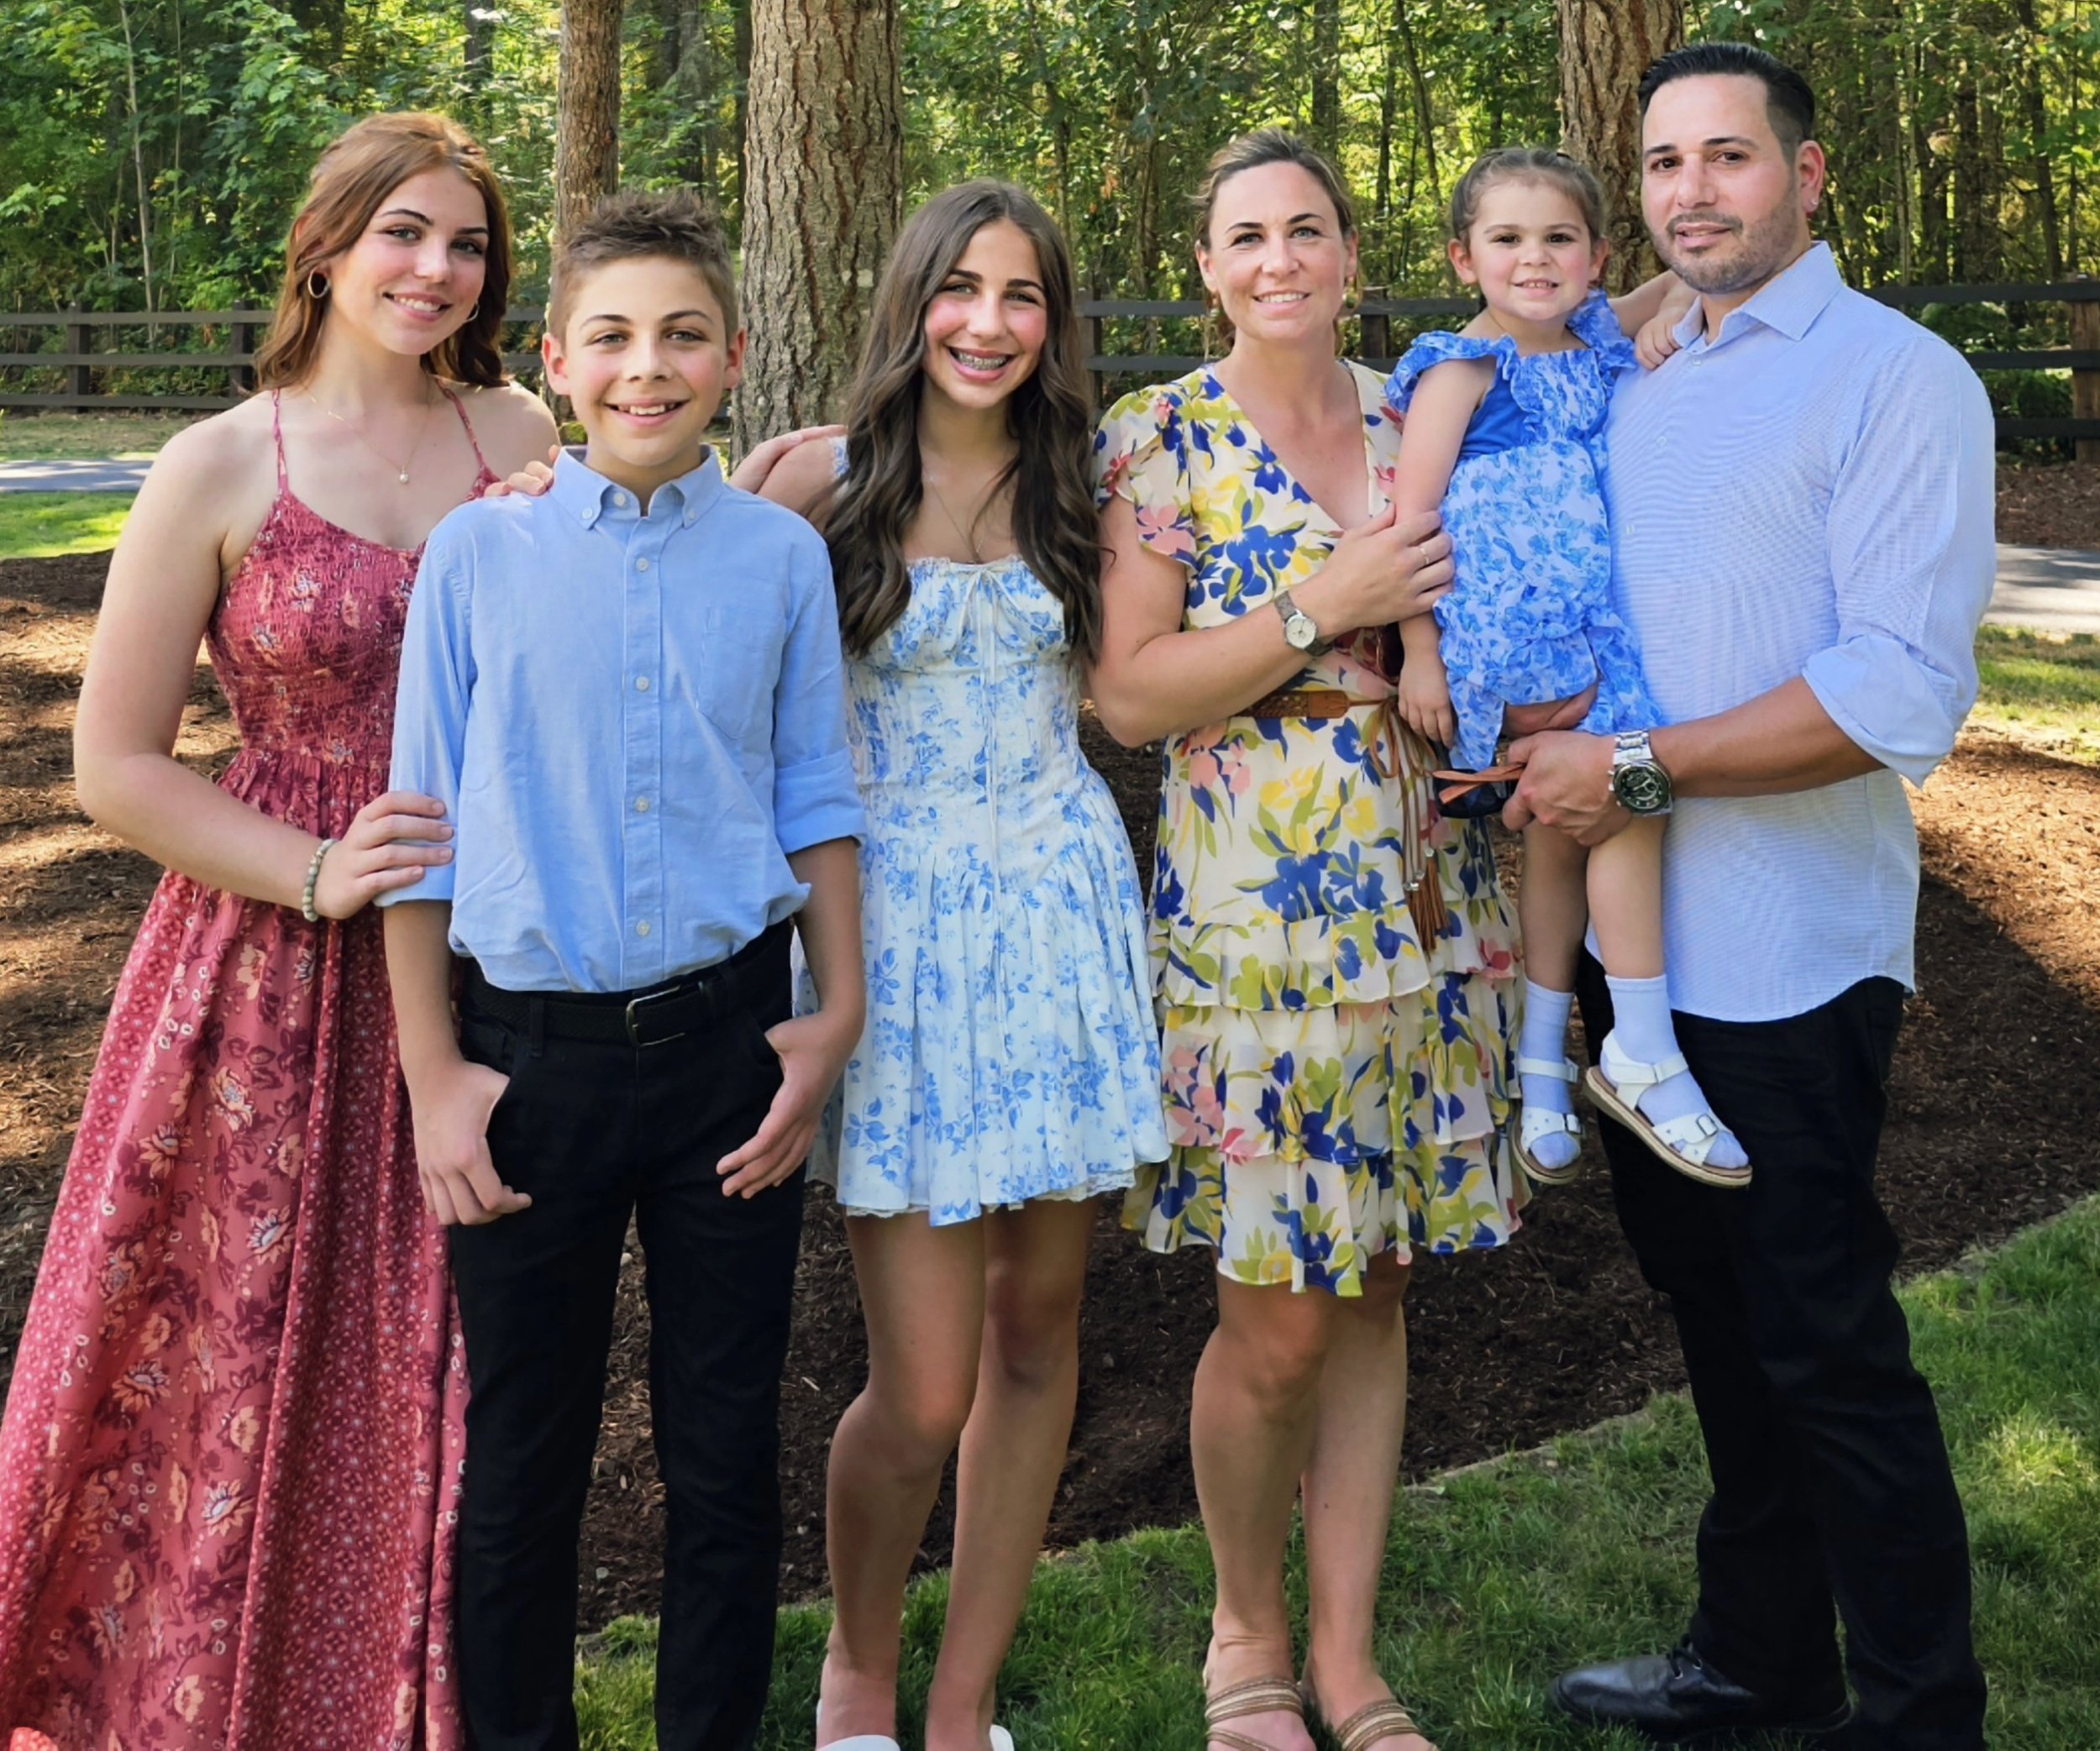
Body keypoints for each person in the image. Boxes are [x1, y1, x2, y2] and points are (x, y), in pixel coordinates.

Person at [0, 113, 555, 1750]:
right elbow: (111, 766)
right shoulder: (221, 463)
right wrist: (316, 871)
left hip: (486, 959)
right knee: (220, 1354)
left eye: (464, 245)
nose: (434, 270)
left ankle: (412, 1705)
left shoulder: (520, 432)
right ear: (328, 244)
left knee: (449, 1354)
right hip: (258, 978)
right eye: (403, 233)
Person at [1519, 45, 1993, 1750]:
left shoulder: (1893, 377)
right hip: (1634, 970)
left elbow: (1893, 693)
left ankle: (1921, 1708)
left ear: (1807, 178)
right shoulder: (1639, 362)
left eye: (1727, 157)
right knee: (1718, 1331)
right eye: (1660, 163)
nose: (1690, 191)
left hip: (1788, 959)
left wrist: (1631, 769)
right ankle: (1757, 1660)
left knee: (1822, 1341)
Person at [381, 188, 865, 1751]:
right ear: (556, 359)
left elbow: (815, 799)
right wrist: (437, 1084)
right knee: (525, 1452)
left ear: (730, 356)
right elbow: (424, 836)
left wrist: (829, 1015)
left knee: (725, 1452)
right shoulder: (479, 554)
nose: (643, 368)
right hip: (528, 1068)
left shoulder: (781, 559)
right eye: (610, 338)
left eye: (678, 337)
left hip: (734, 1056)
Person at [1089, 129, 1515, 1751]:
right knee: (1277, 1310)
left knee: (1382, 1282)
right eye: (1246, 236)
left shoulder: (1425, 419)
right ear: (1208, 266)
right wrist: (1320, 606)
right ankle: (1242, 1639)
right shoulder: (1161, 436)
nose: (1279, 259)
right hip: (1259, 929)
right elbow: (1128, 695)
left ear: (1350, 255)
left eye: (1308, 231)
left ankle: (1347, 1658)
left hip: (1433, 908)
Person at [739, 181, 1168, 1751]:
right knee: (921, 1387)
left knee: (1039, 1334)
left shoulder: (1094, 487)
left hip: (1056, 920)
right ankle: (860, 1664)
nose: (989, 322)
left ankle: (962, 1700)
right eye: (962, 288)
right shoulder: (811, 483)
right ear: (913, 298)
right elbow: (664, 603)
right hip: (893, 936)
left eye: (1025, 294)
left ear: (1057, 322)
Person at [1384, 147, 1746, 1193]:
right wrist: (1418, 655)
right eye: (1506, 239)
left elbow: (1680, 274)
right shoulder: (1460, 369)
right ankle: (1637, 1047)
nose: (1534, 260)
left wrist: (1693, 250)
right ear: (1464, 257)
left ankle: (1550, 1064)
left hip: (1600, 651)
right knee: (1611, 817)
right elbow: (1408, 523)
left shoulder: (1594, 336)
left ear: (1593, 256)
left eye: (1559, 239)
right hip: (1502, 661)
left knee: (1609, 813)